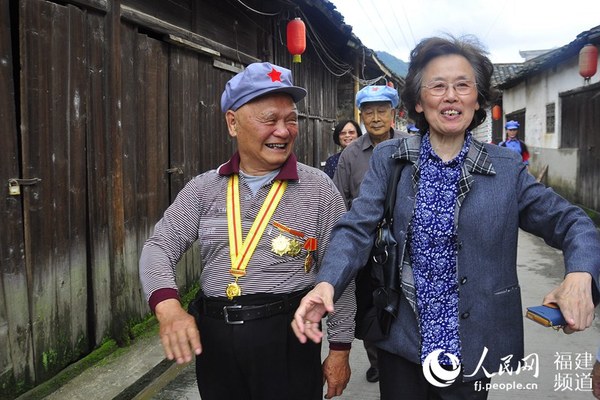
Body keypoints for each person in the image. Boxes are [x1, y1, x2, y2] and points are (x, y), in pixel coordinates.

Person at [292, 36, 600, 400]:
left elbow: (573, 223)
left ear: (477, 98)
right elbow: (356, 227)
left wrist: (581, 274)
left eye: (462, 85)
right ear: (419, 102)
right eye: (437, 86)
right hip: (403, 340)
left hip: (473, 345)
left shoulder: (504, 168)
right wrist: (328, 281)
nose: (451, 96)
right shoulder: (391, 158)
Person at [139, 62, 355, 400]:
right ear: (232, 122)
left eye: (291, 119)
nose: (283, 131)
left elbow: (340, 271)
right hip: (215, 341)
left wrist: (340, 348)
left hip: (288, 336)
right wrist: (168, 308)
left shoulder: (319, 189)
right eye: (270, 120)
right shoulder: (204, 189)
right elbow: (159, 246)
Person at [333, 84, 401, 383]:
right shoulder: (351, 154)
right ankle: (378, 361)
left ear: (392, 114)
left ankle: (404, 357)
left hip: (404, 244)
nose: (375, 118)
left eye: (381, 111)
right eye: (369, 112)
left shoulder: (411, 146)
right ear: (361, 116)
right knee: (371, 305)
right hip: (367, 245)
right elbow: (339, 201)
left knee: (405, 303)